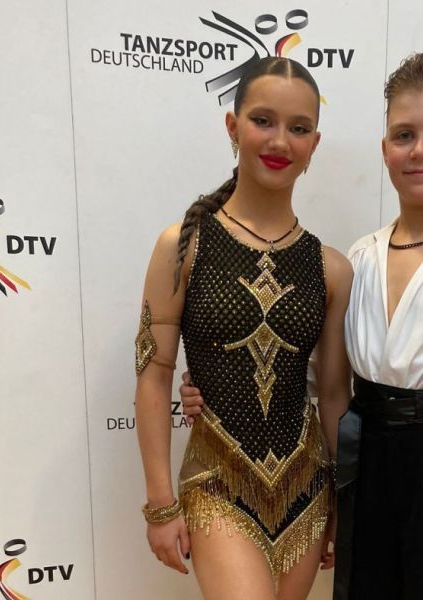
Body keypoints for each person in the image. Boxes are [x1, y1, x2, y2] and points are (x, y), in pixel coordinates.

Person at [182, 48, 423, 600]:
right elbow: (313, 376)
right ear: (385, 148)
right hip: (366, 463)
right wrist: (218, 384)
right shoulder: (359, 259)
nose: (419, 150)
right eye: (404, 135)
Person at [134, 56, 351, 600]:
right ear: (232, 127)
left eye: (298, 128)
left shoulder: (331, 269)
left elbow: (333, 396)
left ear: (314, 144)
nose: (279, 141)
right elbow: (153, 377)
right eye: (262, 120)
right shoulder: (184, 247)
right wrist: (160, 504)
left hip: (306, 484)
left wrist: (342, 502)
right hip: (216, 480)